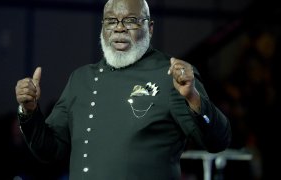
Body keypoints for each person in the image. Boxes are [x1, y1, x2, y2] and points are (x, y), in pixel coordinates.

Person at [15, 0, 232, 179]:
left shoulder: (171, 76)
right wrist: (30, 111)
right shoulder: (81, 78)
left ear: (150, 27)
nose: (119, 27)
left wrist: (193, 97)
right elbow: (49, 150)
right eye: (111, 21)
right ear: (102, 28)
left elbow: (217, 141)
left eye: (130, 21)